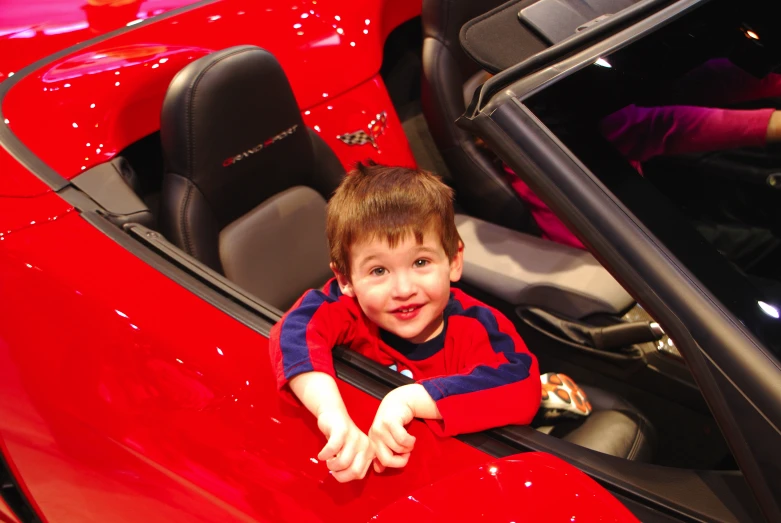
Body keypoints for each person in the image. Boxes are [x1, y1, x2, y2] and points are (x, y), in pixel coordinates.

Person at [269, 163, 541, 483]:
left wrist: (408, 399)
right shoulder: (346, 309)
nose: (403, 290)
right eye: (378, 271)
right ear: (345, 279)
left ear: (453, 261)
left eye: (421, 262)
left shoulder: (477, 326)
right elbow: (293, 332)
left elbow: (521, 384)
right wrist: (332, 415)